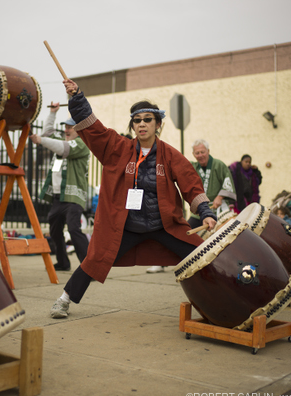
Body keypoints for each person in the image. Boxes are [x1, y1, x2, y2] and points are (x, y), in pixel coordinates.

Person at [49, 79, 216, 319]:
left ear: (158, 124)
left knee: (202, 256)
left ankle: (220, 300)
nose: (142, 124)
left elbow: (191, 184)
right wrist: (77, 98)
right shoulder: (116, 148)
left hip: (163, 226)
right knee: (95, 258)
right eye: (137, 120)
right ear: (133, 126)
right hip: (126, 226)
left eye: (147, 119)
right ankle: (63, 300)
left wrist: (207, 213)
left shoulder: (170, 154)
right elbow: (94, 129)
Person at [30, 102, 90, 271]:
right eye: (66, 126)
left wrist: (41, 140)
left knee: (73, 229)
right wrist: (52, 113)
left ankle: (89, 267)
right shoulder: (63, 143)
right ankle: (63, 263)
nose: (66, 129)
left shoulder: (82, 145)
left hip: (73, 198)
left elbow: (61, 147)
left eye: (71, 127)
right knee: (55, 231)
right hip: (59, 197)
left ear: (79, 131)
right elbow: (48, 133)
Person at [188, 140, 236, 228]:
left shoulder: (219, 165)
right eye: (197, 153)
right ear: (193, 154)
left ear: (208, 151)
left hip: (219, 208)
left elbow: (227, 183)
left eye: (203, 152)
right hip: (201, 210)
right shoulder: (193, 167)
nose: (200, 155)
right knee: (188, 230)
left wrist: (220, 197)